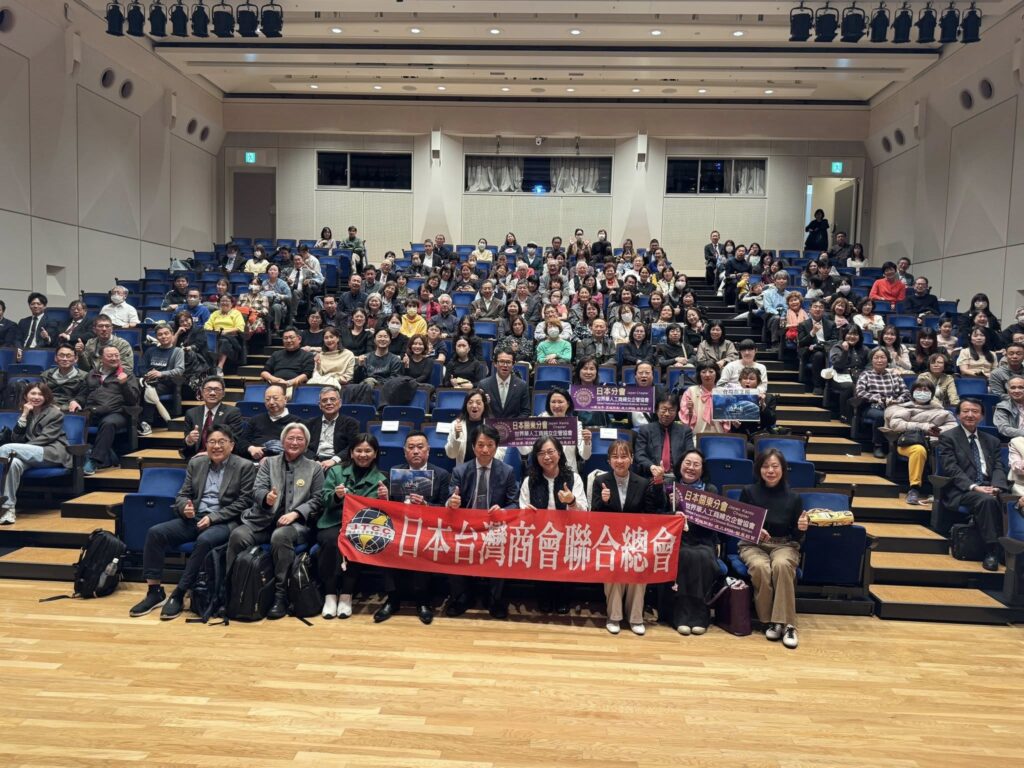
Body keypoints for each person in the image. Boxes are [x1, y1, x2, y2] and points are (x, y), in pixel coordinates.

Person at [129, 426, 255, 619]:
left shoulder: (244, 466)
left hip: (224, 521)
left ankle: (179, 593)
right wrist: (185, 508)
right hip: (194, 517)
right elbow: (182, 494)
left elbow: (244, 502)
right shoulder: (197, 463)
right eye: (212, 442)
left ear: (231, 445)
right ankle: (154, 592)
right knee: (156, 533)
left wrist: (213, 517)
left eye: (222, 442)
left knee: (204, 540)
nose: (216, 446)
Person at [226, 423, 325, 620]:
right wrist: (266, 498)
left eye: (299, 439)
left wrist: (296, 513)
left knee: (280, 536)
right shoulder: (268, 463)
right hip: (262, 520)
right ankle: (230, 593)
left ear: (306, 444)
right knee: (238, 535)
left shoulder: (314, 468)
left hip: (296, 525)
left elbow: (318, 499)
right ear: (282, 441)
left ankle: (280, 596)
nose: (294, 442)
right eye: (290, 438)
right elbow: (257, 489)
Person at [589, 439, 666, 635]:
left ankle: (636, 617)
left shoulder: (642, 482)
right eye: (615, 457)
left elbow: (652, 512)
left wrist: (658, 484)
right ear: (609, 461)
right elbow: (594, 517)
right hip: (610, 541)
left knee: (638, 566)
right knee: (614, 567)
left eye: (624, 456)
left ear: (631, 459)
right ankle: (614, 616)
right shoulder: (600, 481)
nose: (619, 461)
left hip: (635, 541)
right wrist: (604, 502)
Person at [445, 425, 519, 619]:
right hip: (466, 528)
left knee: (502, 547)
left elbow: (514, 503)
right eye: (480, 445)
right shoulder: (460, 471)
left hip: (494, 527)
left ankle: (495, 599)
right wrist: (452, 503)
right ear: (473, 446)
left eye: (490, 445)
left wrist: (503, 510)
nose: (485, 449)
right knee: (451, 547)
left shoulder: (507, 471)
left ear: (496, 447)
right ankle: (461, 597)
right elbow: (450, 498)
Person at [738, 449, 809, 650]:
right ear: (759, 469)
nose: (770, 470)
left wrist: (801, 528)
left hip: (784, 544)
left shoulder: (794, 498)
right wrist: (755, 530)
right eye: (766, 466)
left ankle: (787, 625)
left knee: (782, 565)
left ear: (783, 469)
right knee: (761, 567)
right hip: (753, 544)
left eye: (775, 466)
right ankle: (770, 621)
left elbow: (796, 536)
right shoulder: (748, 492)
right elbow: (739, 523)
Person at [317, 433, 388, 619]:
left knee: (357, 541)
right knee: (330, 541)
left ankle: (346, 595)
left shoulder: (381, 478)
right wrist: (336, 495)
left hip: (361, 525)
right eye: (358, 450)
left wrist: (384, 499)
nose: (363, 455)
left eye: (368, 451)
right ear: (351, 452)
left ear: (375, 453)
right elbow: (323, 500)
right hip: (333, 521)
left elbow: (380, 513)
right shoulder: (336, 472)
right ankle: (330, 595)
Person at [519, 436, 588, 615]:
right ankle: (543, 598)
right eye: (541, 453)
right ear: (535, 457)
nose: (547, 457)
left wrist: (572, 501)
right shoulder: (529, 481)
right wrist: (526, 512)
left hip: (567, 534)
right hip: (540, 534)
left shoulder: (573, 478)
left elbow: (584, 513)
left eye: (550, 452)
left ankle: (564, 598)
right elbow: (522, 508)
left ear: (559, 453)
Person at [939, 398, 1009, 571]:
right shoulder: (948, 437)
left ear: (982, 416)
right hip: (963, 490)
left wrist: (997, 486)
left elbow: (998, 467)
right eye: (966, 411)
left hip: (989, 486)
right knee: (987, 501)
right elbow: (951, 469)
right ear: (958, 415)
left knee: (1013, 501)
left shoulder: (991, 440)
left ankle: (1013, 551)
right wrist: (974, 487)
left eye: (975, 411)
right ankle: (992, 551)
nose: (970, 415)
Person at [667, 449, 721, 635]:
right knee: (684, 555)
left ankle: (700, 616)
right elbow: (658, 516)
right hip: (677, 541)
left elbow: (715, 523)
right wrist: (672, 510)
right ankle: (681, 615)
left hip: (703, 539)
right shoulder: (670, 487)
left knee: (703, 558)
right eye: (687, 463)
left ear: (702, 469)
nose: (691, 468)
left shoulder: (710, 490)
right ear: (680, 465)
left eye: (696, 464)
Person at [0, 384, 71, 525]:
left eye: (40, 394)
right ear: (26, 396)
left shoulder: (55, 413)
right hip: (31, 455)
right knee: (13, 464)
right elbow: (16, 438)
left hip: (51, 453)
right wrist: (24, 415)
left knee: (6, 448)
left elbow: (47, 438)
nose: (36, 397)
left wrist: (21, 449)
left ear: (46, 397)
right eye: (33, 393)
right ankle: (8, 509)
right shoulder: (28, 412)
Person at [69, 345, 141, 475]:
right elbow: (83, 393)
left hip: (117, 413)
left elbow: (133, 400)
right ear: (101, 358)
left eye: (116, 355)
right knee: (70, 420)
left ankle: (94, 461)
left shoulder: (127, 375)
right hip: (92, 411)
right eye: (110, 356)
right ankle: (73, 459)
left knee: (108, 423)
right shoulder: (92, 373)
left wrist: (124, 384)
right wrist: (76, 401)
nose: (114, 358)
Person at [855, 348, 911, 458]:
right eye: (876, 358)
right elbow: (860, 392)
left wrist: (896, 401)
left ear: (887, 360)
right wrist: (877, 398)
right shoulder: (866, 374)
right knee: (881, 416)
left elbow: (906, 393)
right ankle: (878, 445)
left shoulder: (894, 375)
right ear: (871, 360)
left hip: (893, 406)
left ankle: (902, 445)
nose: (879, 360)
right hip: (872, 406)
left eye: (882, 357)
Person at [180, 375, 248, 459]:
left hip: (222, 458)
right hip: (196, 459)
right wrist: (189, 440)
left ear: (223, 393)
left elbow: (233, 441)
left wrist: (208, 454)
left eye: (217, 389)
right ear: (202, 392)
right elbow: (186, 445)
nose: (212, 393)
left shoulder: (232, 412)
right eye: (208, 389)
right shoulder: (191, 413)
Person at [138, 324, 185, 435]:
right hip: (148, 380)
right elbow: (141, 367)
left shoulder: (178, 351)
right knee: (135, 388)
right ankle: (135, 420)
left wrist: (161, 374)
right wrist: (147, 374)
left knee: (149, 390)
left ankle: (146, 423)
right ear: (156, 337)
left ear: (172, 334)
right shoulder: (150, 351)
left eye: (166, 333)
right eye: (160, 334)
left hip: (166, 383)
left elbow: (180, 370)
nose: (163, 336)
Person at [635, 394, 695, 480]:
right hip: (652, 476)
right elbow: (639, 454)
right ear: (656, 410)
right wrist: (651, 466)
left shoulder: (685, 431)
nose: (667, 414)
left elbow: (690, 454)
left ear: (677, 411)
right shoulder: (645, 430)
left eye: (671, 410)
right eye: (663, 409)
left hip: (678, 477)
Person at [534, 387, 592, 474]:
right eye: (553, 402)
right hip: (544, 472)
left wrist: (587, 442)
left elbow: (585, 456)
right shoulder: (540, 421)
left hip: (569, 472)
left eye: (560, 402)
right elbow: (525, 451)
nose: (556, 406)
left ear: (568, 404)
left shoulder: (575, 424)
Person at [304, 386, 360, 471]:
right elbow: (304, 446)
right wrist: (314, 460)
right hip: (314, 461)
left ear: (340, 403)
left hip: (339, 462)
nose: (328, 403)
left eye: (332, 399)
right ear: (320, 405)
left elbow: (353, 446)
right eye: (324, 400)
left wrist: (334, 460)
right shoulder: (310, 423)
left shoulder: (351, 423)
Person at [245, 384, 300, 461]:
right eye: (267, 399)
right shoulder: (255, 419)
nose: (271, 402)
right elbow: (242, 442)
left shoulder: (296, 422)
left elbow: (300, 448)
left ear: (285, 399)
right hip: (254, 460)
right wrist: (251, 448)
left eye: (275, 398)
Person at [679, 363, 733, 435]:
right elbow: (684, 418)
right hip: (696, 435)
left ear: (716, 374)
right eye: (703, 372)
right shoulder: (690, 391)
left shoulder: (723, 392)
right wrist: (690, 411)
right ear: (699, 374)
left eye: (711, 371)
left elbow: (730, 416)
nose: (707, 375)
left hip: (719, 434)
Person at [797, 300, 838, 394]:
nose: (818, 309)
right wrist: (812, 332)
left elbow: (835, 340)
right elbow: (801, 343)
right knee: (819, 355)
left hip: (827, 350)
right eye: (815, 307)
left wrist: (818, 346)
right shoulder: (803, 324)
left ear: (824, 310)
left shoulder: (831, 324)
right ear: (810, 309)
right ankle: (817, 386)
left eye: (821, 307)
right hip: (811, 353)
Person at [478, 350, 531, 419]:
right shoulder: (484, 384)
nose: (505, 365)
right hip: (490, 425)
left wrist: (512, 424)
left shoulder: (522, 385)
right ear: (495, 363)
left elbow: (525, 411)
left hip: (513, 424)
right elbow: (480, 409)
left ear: (513, 364)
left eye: (508, 362)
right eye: (502, 361)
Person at [203, 294, 246, 376]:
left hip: (230, 337)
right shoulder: (215, 313)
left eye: (227, 301)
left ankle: (219, 367)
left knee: (224, 341)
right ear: (219, 303)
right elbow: (207, 325)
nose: (224, 303)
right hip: (215, 336)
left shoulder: (236, 313)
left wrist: (226, 331)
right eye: (222, 301)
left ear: (232, 303)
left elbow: (240, 327)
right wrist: (213, 331)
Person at [40, 344, 87, 410]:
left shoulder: (84, 377)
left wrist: (62, 408)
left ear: (76, 359)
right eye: (61, 356)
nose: (65, 359)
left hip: (71, 410)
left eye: (68, 356)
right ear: (55, 358)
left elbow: (82, 398)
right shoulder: (46, 375)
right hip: (48, 409)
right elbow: (41, 395)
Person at [993, 375, 1024, 442]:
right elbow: (1004, 429)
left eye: (1021, 387)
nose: (1016, 391)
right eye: (1013, 388)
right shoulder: (1003, 407)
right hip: (1015, 441)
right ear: (1008, 391)